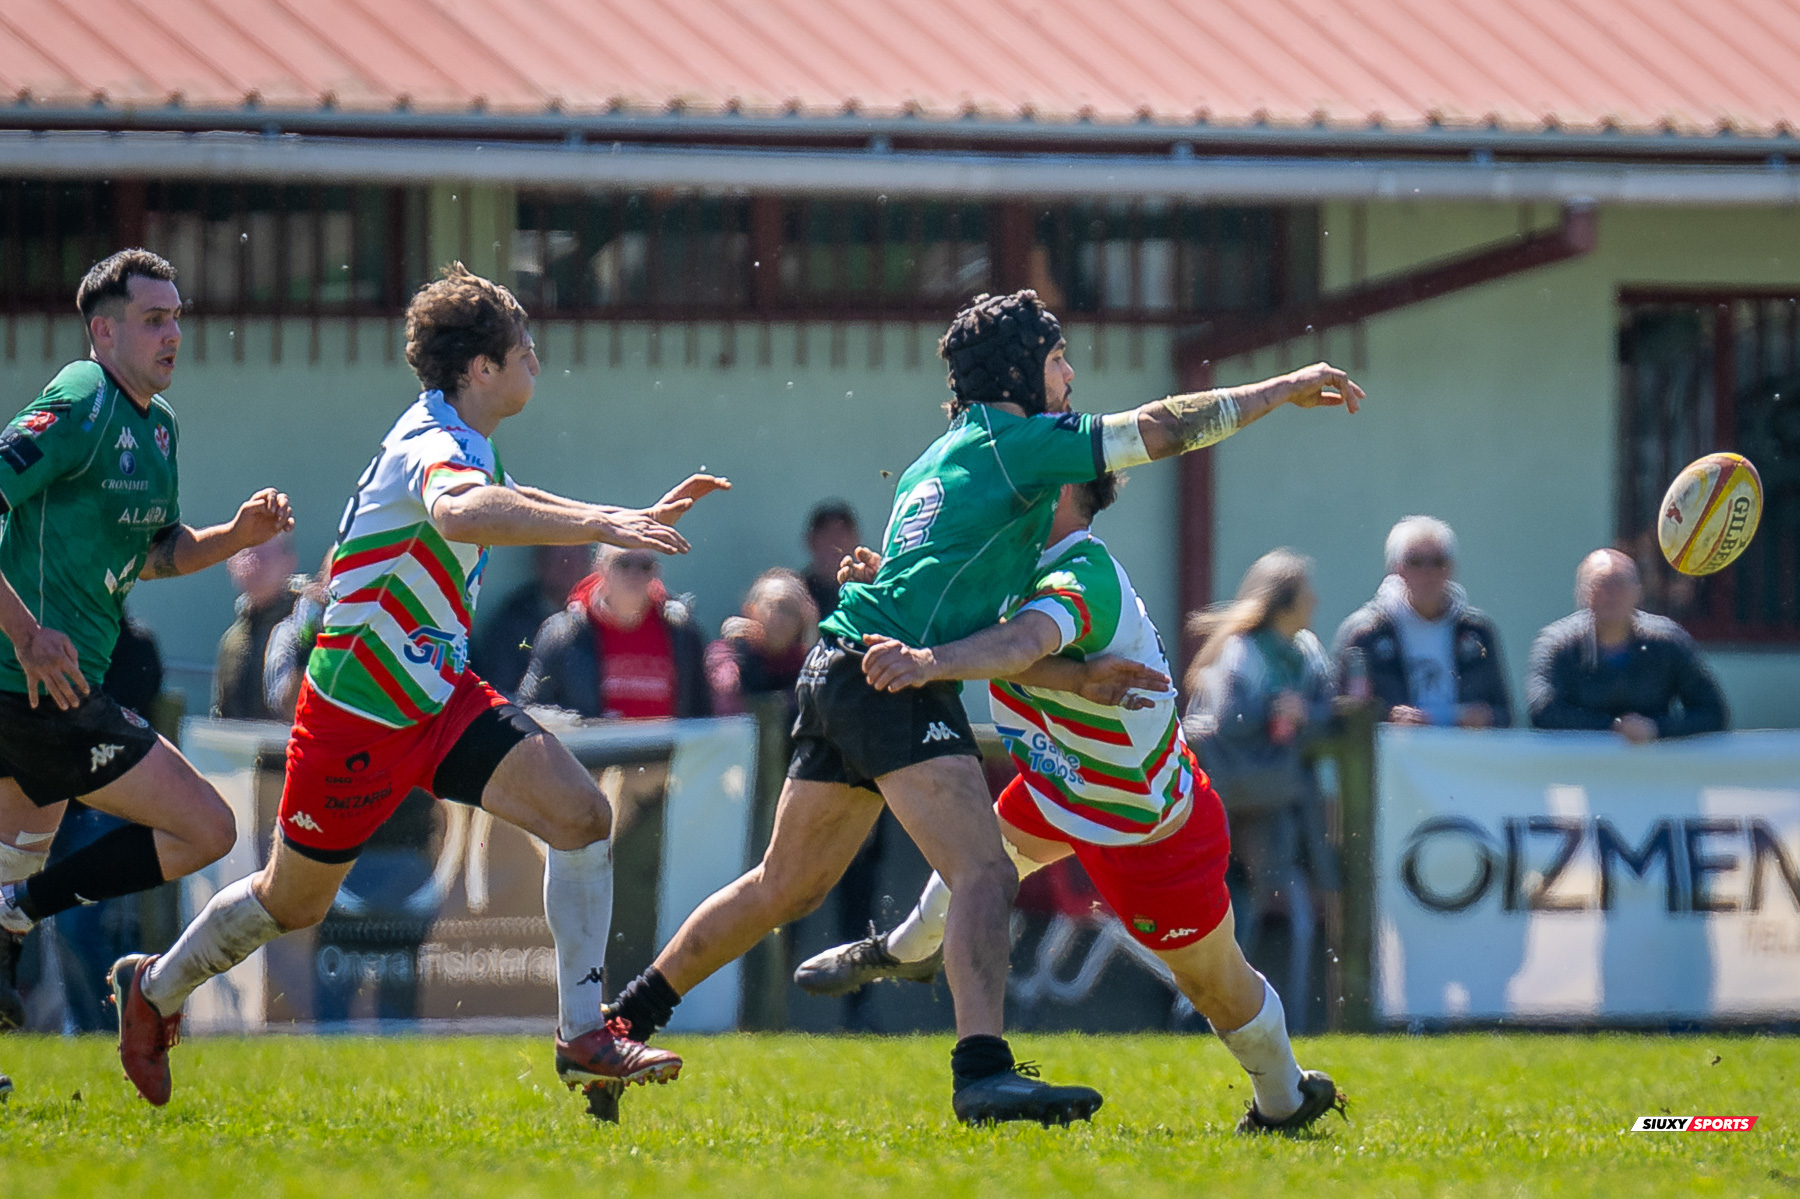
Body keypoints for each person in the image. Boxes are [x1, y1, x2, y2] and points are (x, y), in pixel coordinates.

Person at [602, 288, 1361, 1126]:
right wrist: (1281, 387)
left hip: (851, 668)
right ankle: (982, 1072)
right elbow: (1162, 428)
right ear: (1019, 374)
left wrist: (1056, 674)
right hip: (914, 688)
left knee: (786, 884)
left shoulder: (944, 461)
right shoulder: (1023, 448)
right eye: (1058, 360)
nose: (1069, 379)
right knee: (986, 873)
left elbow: (979, 614)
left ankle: (622, 1023)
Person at [107, 264, 728, 1113]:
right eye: (524, 348)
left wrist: (618, 516)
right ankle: (153, 986)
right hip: (355, 715)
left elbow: (503, 494)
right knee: (293, 899)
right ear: (481, 368)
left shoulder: (463, 435)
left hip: (438, 698)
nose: (536, 360)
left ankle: (584, 1036)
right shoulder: (433, 442)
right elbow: (463, 511)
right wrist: (599, 522)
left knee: (583, 815)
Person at [797, 481, 1344, 1131]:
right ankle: (903, 949)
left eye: (1028, 467)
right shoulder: (1006, 558)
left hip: (1141, 821)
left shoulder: (1085, 574)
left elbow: (1019, 645)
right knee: (976, 866)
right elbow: (980, 625)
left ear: (1062, 491)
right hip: (1059, 783)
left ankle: (1284, 1100)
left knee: (1213, 983)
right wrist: (891, 580)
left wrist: (928, 660)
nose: (1004, 482)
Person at [0, 249, 293, 1047]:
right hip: (36, 689)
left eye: (176, 319)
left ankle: (14, 920)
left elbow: (155, 553)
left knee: (13, 874)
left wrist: (235, 534)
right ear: (103, 332)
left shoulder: (158, 426)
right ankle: (25, 918)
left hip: (57, 688)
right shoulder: (83, 397)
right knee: (207, 828)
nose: (173, 335)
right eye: (153, 319)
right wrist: (26, 633)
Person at [1184, 550, 1340, 1034]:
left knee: (1249, 905)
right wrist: (1276, 707)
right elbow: (1226, 722)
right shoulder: (1240, 653)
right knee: (1227, 907)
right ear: (1284, 601)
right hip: (1229, 804)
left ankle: (1232, 1014)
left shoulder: (1307, 653)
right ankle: (1200, 1013)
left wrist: (1303, 713)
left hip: (1276, 802)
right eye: (1306, 592)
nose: (1316, 600)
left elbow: (1330, 713)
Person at [1527, 548, 1727, 742]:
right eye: (1601, 583)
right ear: (1583, 594)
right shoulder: (1558, 645)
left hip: (1651, 762)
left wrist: (1656, 729)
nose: (1612, 593)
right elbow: (1542, 711)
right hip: (1577, 763)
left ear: (1638, 592)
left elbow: (1712, 712)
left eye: (1620, 582)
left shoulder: (1668, 642)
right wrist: (1613, 728)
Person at [1332, 515, 1511, 728]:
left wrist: (1486, 717)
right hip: (1393, 748)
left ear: (1451, 569)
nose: (1428, 573)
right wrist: (1389, 718)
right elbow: (1338, 711)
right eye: (1415, 562)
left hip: (1462, 748)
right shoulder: (1364, 633)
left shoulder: (1477, 632)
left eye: (1438, 562)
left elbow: (1505, 714)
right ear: (1398, 569)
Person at [517, 546, 711, 720]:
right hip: (589, 749)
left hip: (668, 749)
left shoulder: (681, 634)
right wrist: (575, 724)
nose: (635, 573)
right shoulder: (563, 633)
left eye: (645, 566)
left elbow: (702, 715)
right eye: (623, 563)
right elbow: (528, 709)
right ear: (600, 568)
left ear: (656, 572)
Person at [471, 544, 591, 697]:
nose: (567, 565)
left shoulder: (601, 618)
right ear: (540, 562)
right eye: (559, 558)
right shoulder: (513, 622)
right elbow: (501, 688)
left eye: (576, 558)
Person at [706, 568, 819, 716]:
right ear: (750, 611)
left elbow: (814, 709)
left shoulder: (804, 661)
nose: (781, 619)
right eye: (775, 607)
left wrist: (812, 643)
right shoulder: (726, 654)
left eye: (791, 611)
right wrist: (743, 651)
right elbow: (728, 703)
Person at [213, 532, 300, 721]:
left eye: (263, 557)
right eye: (245, 555)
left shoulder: (302, 630)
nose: (252, 564)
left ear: (288, 563)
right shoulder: (233, 639)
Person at [801, 500, 860, 620]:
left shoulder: (865, 590)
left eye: (842, 533)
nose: (835, 542)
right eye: (827, 533)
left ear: (855, 539)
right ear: (811, 541)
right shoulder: (798, 592)